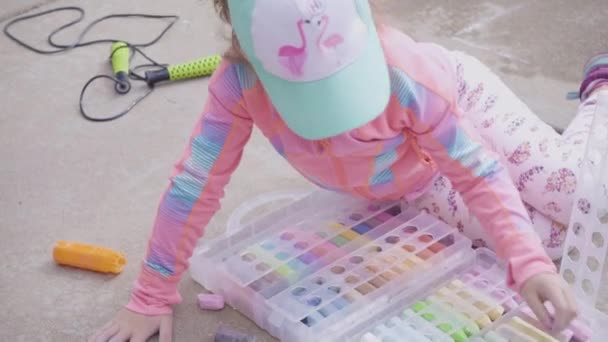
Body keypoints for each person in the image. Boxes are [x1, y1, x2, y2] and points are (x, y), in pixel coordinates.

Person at [90, 1, 608, 341]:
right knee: (560, 239)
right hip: (418, 179)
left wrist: (529, 266)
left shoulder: (403, 73)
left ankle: (599, 94)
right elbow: (193, 185)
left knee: (581, 198)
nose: (330, 120)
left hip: (461, 109)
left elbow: (476, 170)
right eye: (307, 96)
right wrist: (151, 293)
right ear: (245, 44)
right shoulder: (238, 85)